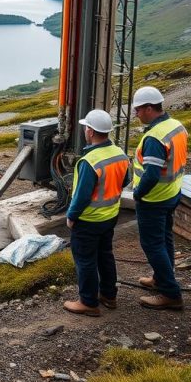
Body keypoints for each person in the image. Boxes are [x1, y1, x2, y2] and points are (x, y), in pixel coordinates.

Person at [63, 109, 130, 317]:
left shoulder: (89, 161)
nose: (85, 130)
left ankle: (88, 302)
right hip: (110, 216)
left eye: (86, 127)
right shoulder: (120, 154)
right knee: (105, 255)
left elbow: (81, 196)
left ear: (90, 132)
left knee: (85, 260)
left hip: (88, 220)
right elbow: (126, 181)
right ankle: (109, 295)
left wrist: (71, 216)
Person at [131, 86, 189, 310]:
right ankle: (160, 278)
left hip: (153, 200)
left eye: (137, 110)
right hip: (172, 193)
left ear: (148, 108)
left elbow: (152, 174)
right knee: (165, 239)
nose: (136, 114)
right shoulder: (175, 126)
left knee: (153, 245)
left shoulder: (154, 137)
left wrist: (138, 194)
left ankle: (170, 294)